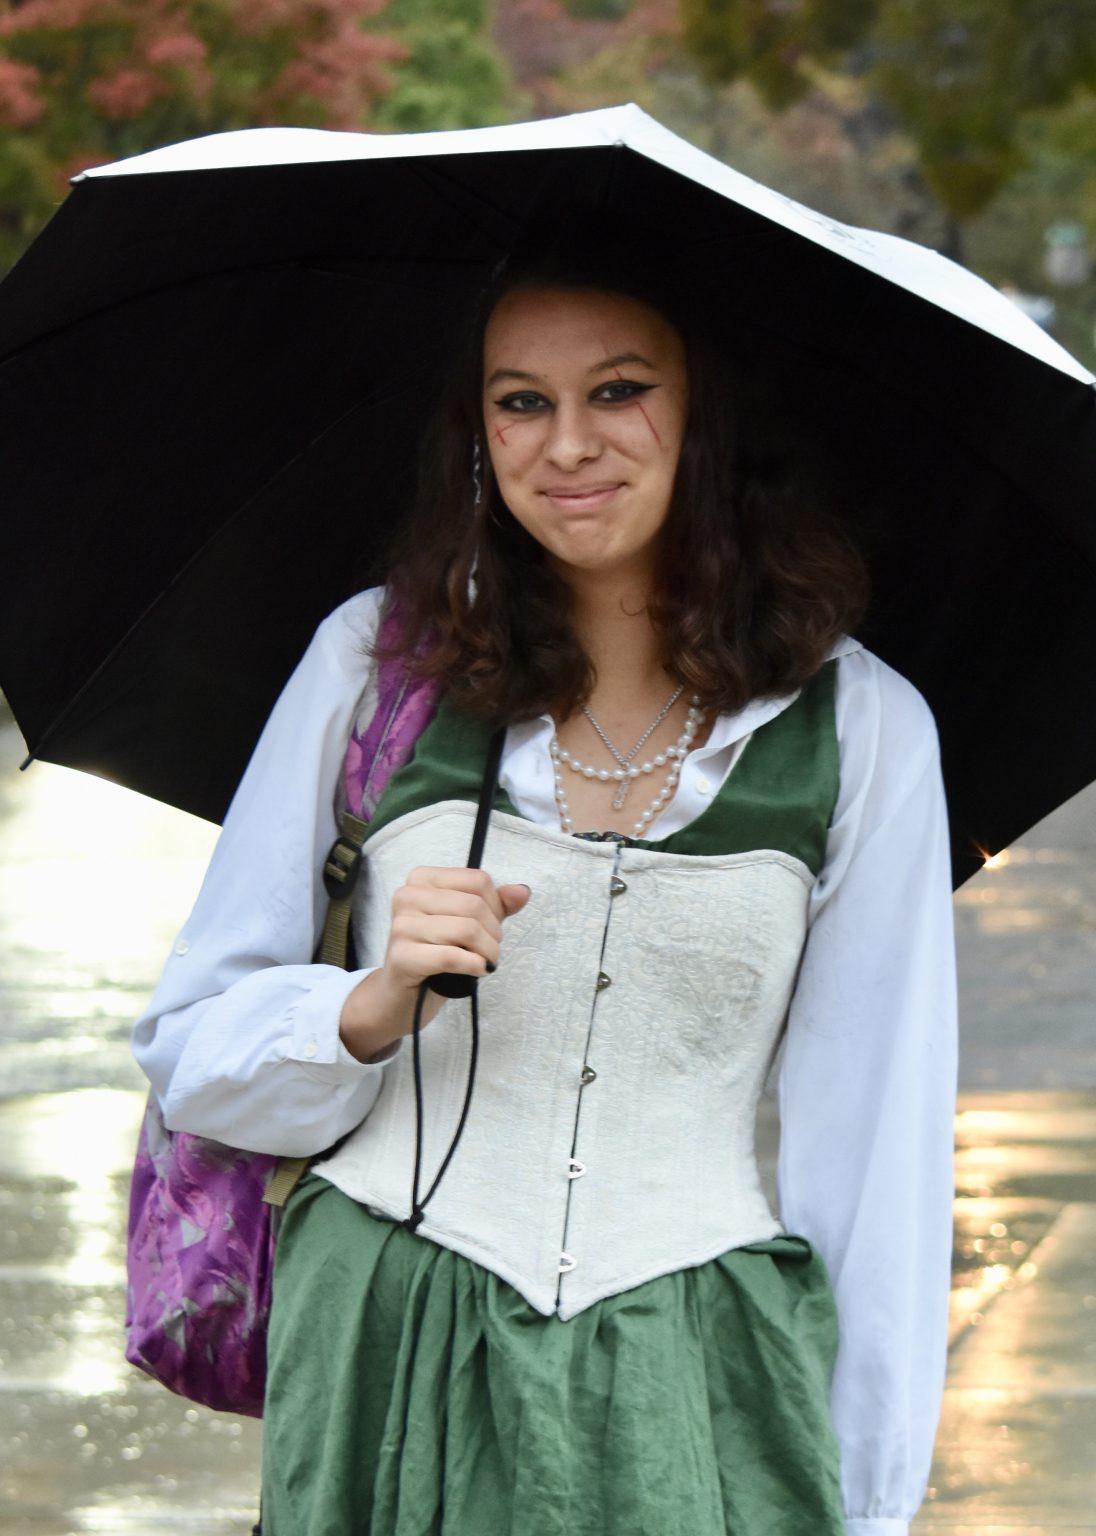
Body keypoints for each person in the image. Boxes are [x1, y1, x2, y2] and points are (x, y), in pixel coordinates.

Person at [132, 214, 958, 1536]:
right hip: (387, 1349)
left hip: (698, 1368)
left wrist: (868, 1502)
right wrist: (367, 1003)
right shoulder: (377, 666)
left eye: (619, 391)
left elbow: (876, 1157)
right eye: (520, 402)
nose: (566, 446)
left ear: (709, 415)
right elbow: (189, 1047)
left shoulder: (862, 729)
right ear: (479, 430)